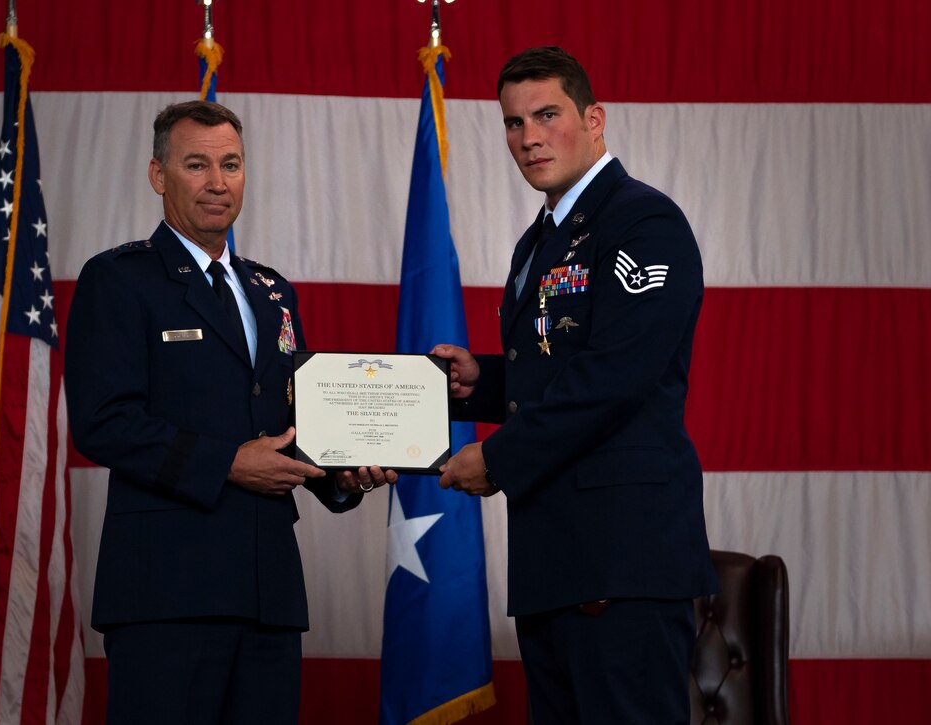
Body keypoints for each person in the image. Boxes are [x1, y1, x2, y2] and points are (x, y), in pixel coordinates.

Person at [65, 100, 394, 725]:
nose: (218, 182)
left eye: (231, 164)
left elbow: (294, 420)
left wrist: (340, 474)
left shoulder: (273, 292)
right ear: (159, 175)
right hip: (166, 592)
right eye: (197, 164)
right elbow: (102, 422)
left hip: (267, 589)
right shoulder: (119, 280)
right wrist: (227, 463)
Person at [434, 47, 718, 724]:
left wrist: (498, 457)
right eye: (512, 123)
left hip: (622, 560)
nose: (528, 137)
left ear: (595, 119)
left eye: (546, 115)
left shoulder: (643, 222)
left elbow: (616, 375)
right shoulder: (542, 239)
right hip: (555, 561)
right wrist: (480, 382)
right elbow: (556, 363)